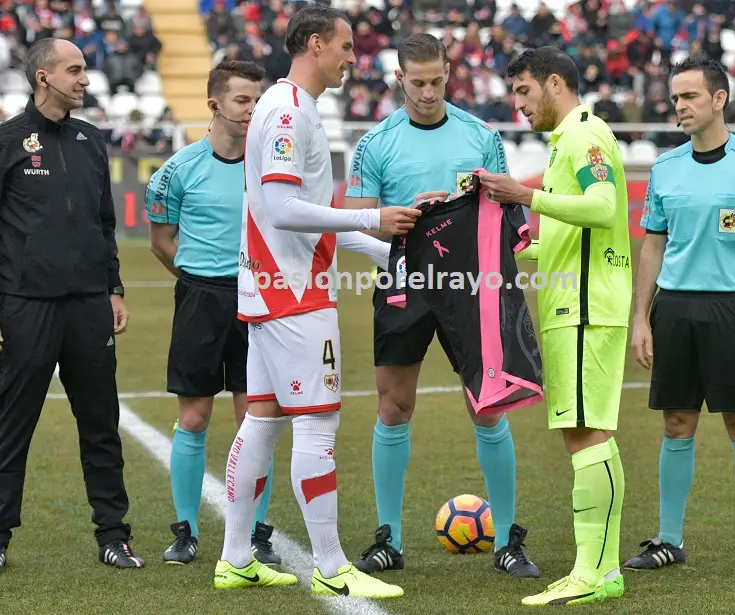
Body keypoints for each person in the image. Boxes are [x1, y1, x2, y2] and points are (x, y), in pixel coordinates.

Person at [213, 5, 420, 597]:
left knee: (262, 421)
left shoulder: (294, 108)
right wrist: (373, 216)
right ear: (312, 44)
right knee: (318, 424)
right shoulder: (285, 111)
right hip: (294, 294)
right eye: (346, 46)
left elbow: (308, 217)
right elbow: (282, 210)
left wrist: (388, 256)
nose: (354, 57)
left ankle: (234, 557)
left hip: (275, 287)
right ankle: (331, 568)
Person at [343, 33, 540, 579]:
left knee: (488, 406)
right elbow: (354, 227)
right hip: (403, 282)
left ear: (448, 72)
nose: (428, 92)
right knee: (393, 406)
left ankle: (506, 539)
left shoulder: (480, 136)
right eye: (417, 82)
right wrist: (402, 225)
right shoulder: (375, 144)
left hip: (470, 288)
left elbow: (507, 213)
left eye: (437, 80)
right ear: (399, 78)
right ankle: (389, 539)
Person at [625, 54, 735, 579]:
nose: (680, 106)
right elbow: (651, 247)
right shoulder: (665, 168)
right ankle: (669, 540)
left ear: (719, 99)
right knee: (677, 423)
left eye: (690, 96)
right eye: (675, 98)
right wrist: (641, 318)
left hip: (734, 306)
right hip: (674, 307)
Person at [477, 46, 631, 605]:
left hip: (587, 307)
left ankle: (596, 571)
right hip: (575, 302)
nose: (517, 103)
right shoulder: (569, 139)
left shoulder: (586, 135)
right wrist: (532, 244)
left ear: (556, 83)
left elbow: (605, 207)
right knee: (581, 435)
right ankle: (599, 568)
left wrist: (526, 194)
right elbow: (580, 227)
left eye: (524, 90)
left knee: (588, 434)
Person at [0, 38, 142, 570]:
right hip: (25, 306)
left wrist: (114, 287)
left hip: (88, 306)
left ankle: (113, 534)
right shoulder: (8, 141)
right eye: (75, 70)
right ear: (44, 77)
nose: (85, 79)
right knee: (12, 424)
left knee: (101, 424)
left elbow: (104, 222)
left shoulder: (90, 139)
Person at [145, 60, 283, 567]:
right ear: (214, 105)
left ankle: (257, 532)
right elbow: (163, 242)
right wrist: (197, 282)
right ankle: (185, 531)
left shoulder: (271, 164)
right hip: (201, 299)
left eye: (257, 99)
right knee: (194, 416)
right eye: (242, 100)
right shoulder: (177, 171)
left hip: (260, 300)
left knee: (256, 421)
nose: (252, 110)